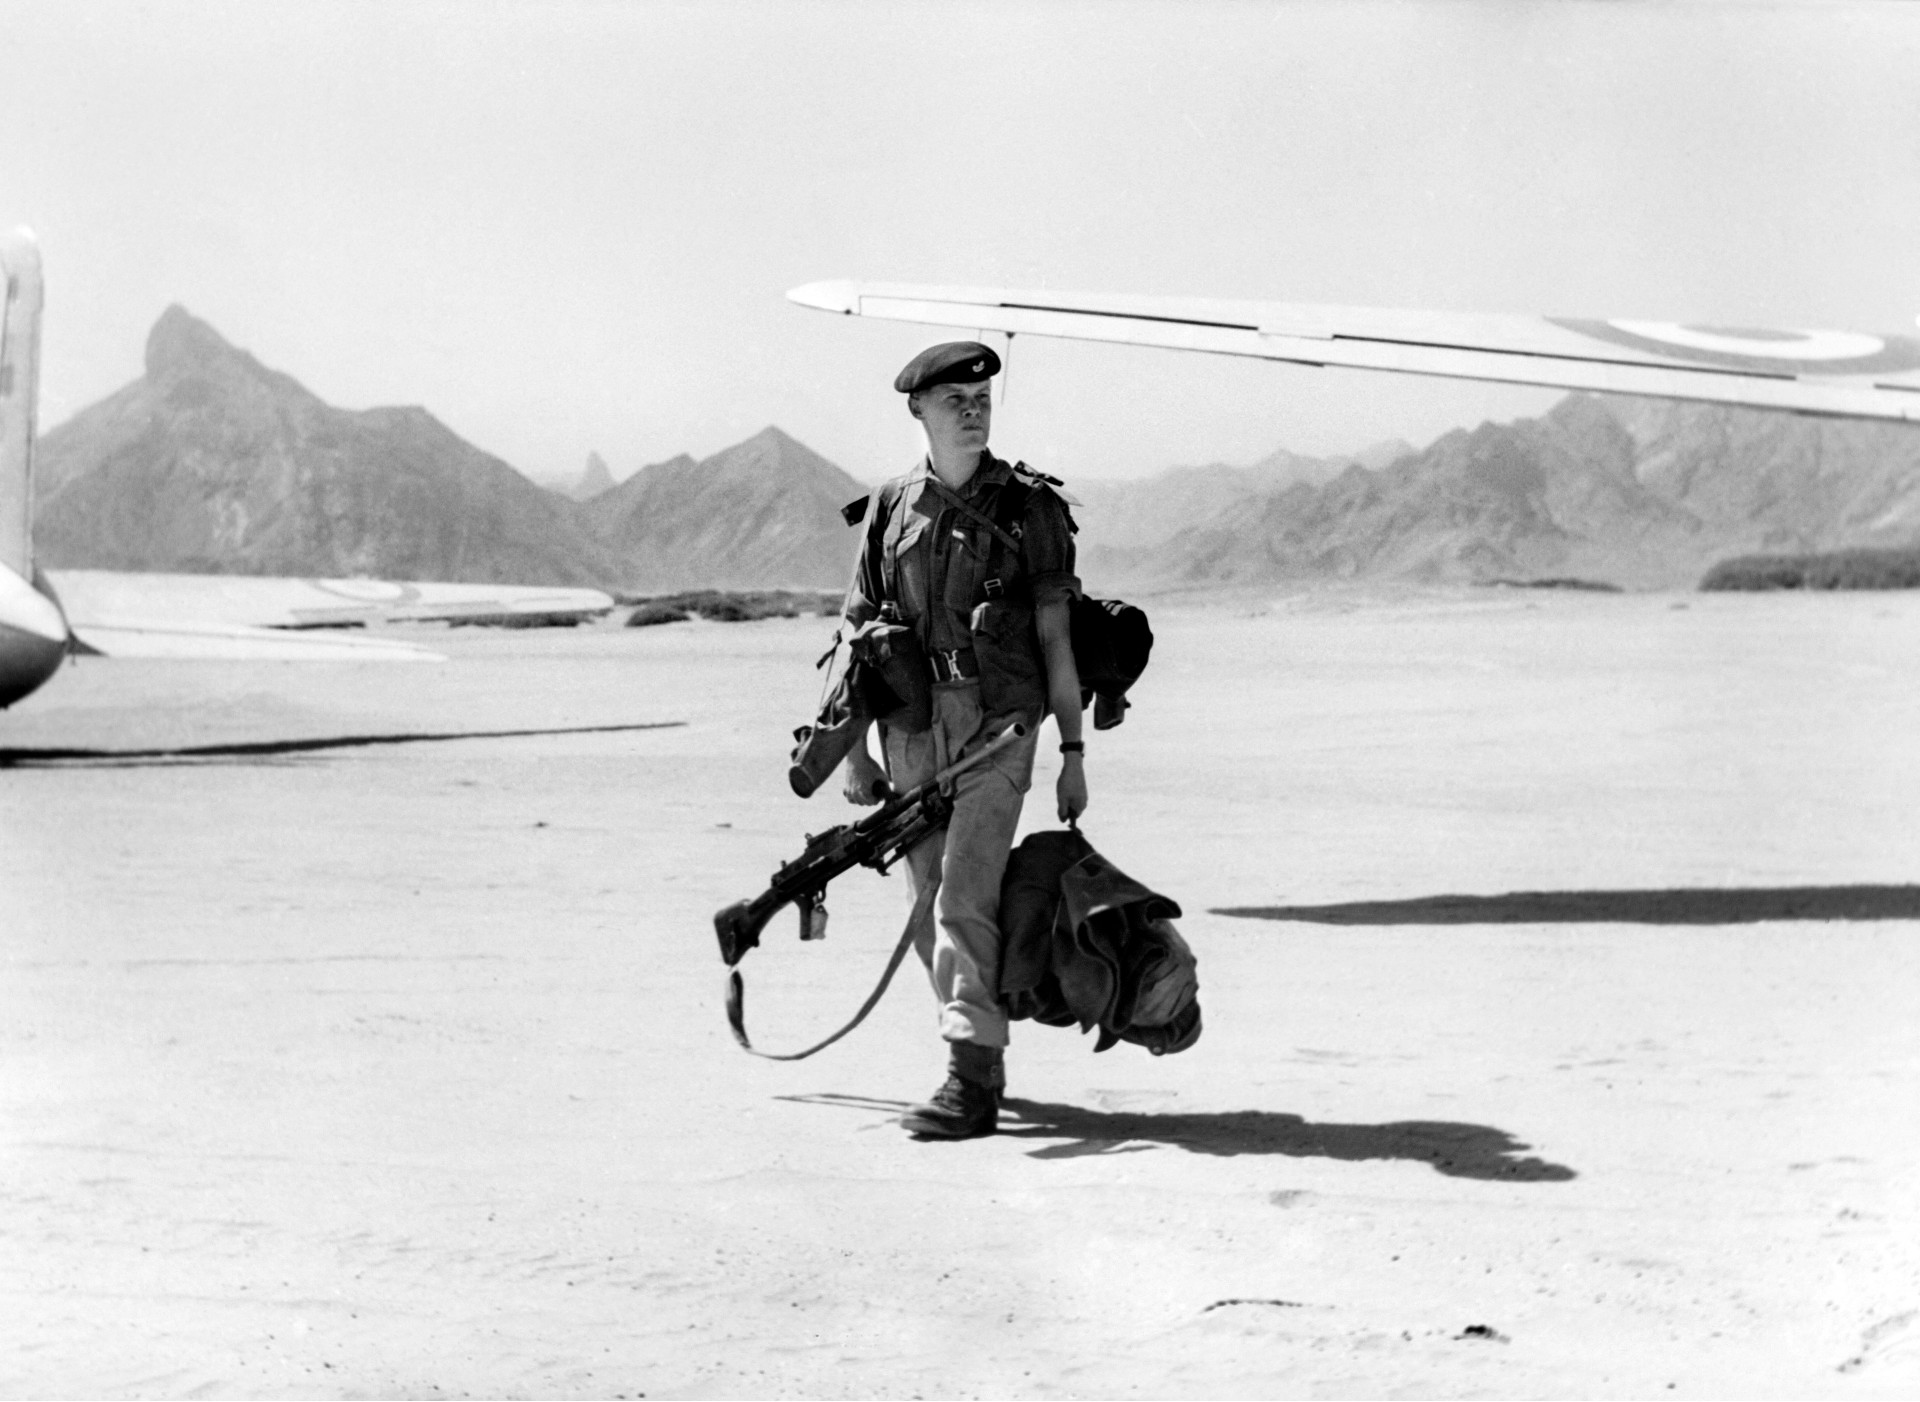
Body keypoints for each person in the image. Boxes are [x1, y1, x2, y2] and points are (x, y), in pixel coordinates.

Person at [836, 340, 1086, 1139]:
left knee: (962, 895)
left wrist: (1073, 752)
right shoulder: (889, 507)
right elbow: (858, 633)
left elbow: (1056, 639)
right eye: (955, 401)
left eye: (983, 400)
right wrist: (852, 753)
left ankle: (969, 1081)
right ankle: (978, 1049)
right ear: (919, 410)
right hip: (911, 727)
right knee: (924, 908)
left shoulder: (1031, 508)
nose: (974, 411)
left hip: (998, 725)